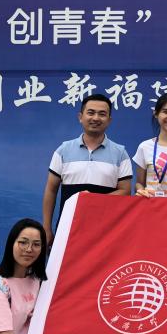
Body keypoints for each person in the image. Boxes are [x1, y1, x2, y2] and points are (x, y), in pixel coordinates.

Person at [42, 93, 132, 244]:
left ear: (109, 120)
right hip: (67, 229)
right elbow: (51, 190)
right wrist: (46, 228)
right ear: (80, 117)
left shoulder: (120, 153)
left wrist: (91, 200)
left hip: (106, 232)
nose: (96, 118)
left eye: (102, 114)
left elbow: (125, 191)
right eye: (91, 112)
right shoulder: (63, 150)